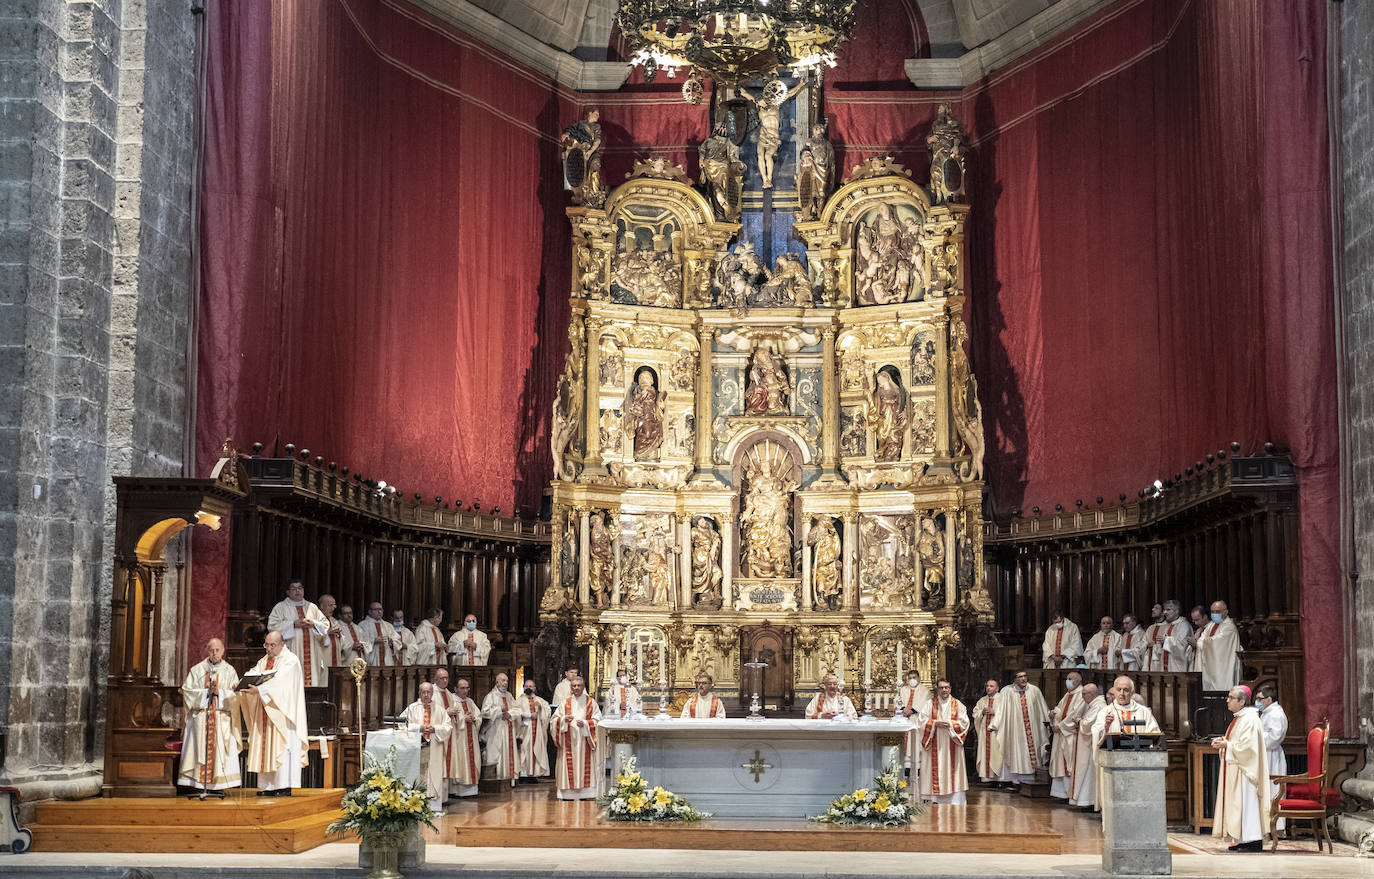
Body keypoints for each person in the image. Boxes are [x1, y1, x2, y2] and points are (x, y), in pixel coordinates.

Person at [239, 631, 309, 796]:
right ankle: (268, 786)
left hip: (283, 715)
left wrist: (260, 690)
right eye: (266, 645)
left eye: (272, 645)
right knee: (266, 747)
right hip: (266, 712)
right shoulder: (265, 660)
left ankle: (283, 786)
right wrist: (243, 683)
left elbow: (281, 682)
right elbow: (255, 673)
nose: (268, 649)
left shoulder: (290, 660)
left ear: (281, 644)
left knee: (282, 748)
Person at [1211, 686, 1270, 852]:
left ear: (1242, 701)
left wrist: (1227, 745)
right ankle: (1244, 839)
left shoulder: (1250, 719)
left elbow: (1248, 748)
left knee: (1247, 804)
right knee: (1240, 805)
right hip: (1238, 769)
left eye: (1231, 697)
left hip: (1246, 772)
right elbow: (1238, 742)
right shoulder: (1240, 718)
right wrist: (1225, 742)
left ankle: (1253, 840)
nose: (1227, 700)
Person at [1090, 675, 1162, 811]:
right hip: (1114, 764)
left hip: (1139, 764)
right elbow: (1096, 734)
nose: (1122, 693)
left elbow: (1154, 733)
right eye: (1119, 690)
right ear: (1114, 692)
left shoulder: (1143, 712)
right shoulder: (1105, 712)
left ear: (1132, 692)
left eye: (1126, 690)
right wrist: (1105, 727)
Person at [178, 638, 240, 795]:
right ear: (207, 651)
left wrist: (221, 693)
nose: (215, 653)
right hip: (201, 717)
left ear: (223, 650)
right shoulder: (197, 670)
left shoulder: (229, 671)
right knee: (198, 748)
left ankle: (217, 786)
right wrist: (206, 693)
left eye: (218, 650)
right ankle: (198, 786)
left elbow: (236, 696)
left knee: (220, 755)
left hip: (221, 718)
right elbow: (187, 692)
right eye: (212, 650)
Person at [265, 580, 331, 687]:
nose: (297, 591)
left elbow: (325, 624)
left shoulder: (312, 607)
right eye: (293, 589)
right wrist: (292, 624)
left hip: (312, 656)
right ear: (288, 592)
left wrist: (314, 623)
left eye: (300, 588)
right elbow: (272, 626)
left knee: (313, 684)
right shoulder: (280, 607)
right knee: (292, 683)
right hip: (292, 651)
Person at [400, 682, 452, 814]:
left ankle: (433, 805)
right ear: (419, 693)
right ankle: (416, 805)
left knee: (433, 774)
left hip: (435, 748)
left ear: (432, 693)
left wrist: (435, 728)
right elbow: (401, 725)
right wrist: (419, 728)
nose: (426, 695)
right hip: (417, 748)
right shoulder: (412, 708)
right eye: (423, 692)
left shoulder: (440, 709)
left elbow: (448, 727)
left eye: (428, 692)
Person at [917, 679, 969, 804]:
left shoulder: (958, 705)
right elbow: (921, 721)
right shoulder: (929, 704)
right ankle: (935, 798)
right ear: (937, 689)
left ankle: (955, 799)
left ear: (950, 688)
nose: (944, 690)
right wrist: (934, 723)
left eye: (946, 687)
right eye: (941, 688)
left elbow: (965, 723)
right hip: (934, 742)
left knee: (954, 772)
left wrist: (951, 725)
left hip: (952, 743)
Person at [551, 676, 602, 800]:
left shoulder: (591, 702)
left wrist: (585, 724)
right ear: (571, 687)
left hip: (585, 741)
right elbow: (553, 721)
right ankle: (567, 794)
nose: (576, 688)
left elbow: (598, 720)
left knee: (586, 766)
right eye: (574, 686)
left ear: (583, 686)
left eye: (579, 685)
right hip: (569, 742)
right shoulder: (565, 703)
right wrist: (563, 720)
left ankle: (586, 793)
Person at [996, 670, 1050, 784]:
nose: (1023, 679)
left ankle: (1032, 777)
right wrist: (995, 724)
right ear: (1014, 679)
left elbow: (1042, 709)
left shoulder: (1034, 690)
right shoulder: (1007, 691)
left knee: (1033, 749)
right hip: (1015, 729)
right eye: (1020, 677)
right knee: (1016, 751)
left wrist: (1049, 721)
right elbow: (1000, 711)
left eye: (1025, 676)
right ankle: (1015, 780)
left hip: (1033, 728)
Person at [481, 673, 526, 786]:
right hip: (496, 731)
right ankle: (498, 780)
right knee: (497, 754)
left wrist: (510, 714)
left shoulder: (509, 696)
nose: (505, 683)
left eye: (506, 681)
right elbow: (484, 713)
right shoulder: (490, 696)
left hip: (508, 729)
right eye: (502, 680)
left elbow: (518, 709)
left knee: (509, 753)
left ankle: (510, 779)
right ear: (497, 682)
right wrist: (498, 710)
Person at [1068, 683, 1105, 810]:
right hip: (1087, 745)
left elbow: (1088, 724)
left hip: (1091, 747)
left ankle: (1089, 801)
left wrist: (1079, 721)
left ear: (1092, 694)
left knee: (1089, 773)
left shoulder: (1098, 705)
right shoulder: (1093, 705)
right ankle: (1085, 800)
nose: (1082, 697)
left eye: (1084, 694)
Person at [443, 676, 481, 798]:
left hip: (471, 737)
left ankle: (471, 790)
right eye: (462, 688)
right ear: (455, 689)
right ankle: (457, 791)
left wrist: (474, 719)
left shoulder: (470, 701)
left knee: (472, 760)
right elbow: (448, 718)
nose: (465, 691)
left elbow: (479, 716)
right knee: (460, 761)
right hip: (459, 738)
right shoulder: (452, 700)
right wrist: (464, 719)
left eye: (467, 688)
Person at [1049, 671, 1085, 799]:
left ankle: (1069, 793)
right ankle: (1060, 793)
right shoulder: (1068, 694)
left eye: (1070, 679)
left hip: (1070, 734)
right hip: (1061, 734)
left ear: (1078, 681)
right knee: (1060, 763)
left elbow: (1075, 714)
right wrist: (1054, 713)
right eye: (1067, 678)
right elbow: (1060, 708)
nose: (1067, 681)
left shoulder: (1081, 694)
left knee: (1068, 763)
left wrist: (1061, 726)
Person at [1256, 685, 1287, 830]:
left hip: (1271, 755)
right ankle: (1265, 825)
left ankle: (1275, 827)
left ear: (1269, 699)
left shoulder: (1275, 714)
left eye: (1259, 699)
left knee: (1272, 791)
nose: (1257, 701)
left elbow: (1274, 737)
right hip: (1265, 753)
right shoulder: (1267, 712)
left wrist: (1256, 737)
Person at [1194, 600, 1244, 691]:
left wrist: (1204, 642)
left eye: (1217, 612)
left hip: (1222, 668)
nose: (1214, 614)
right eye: (1212, 612)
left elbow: (1218, 643)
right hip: (1209, 666)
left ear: (1226, 612)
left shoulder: (1229, 627)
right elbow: (1201, 639)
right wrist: (1204, 642)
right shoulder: (1211, 625)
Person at [896, 670, 932, 771]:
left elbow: (925, 704)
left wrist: (912, 710)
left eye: (914, 677)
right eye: (910, 678)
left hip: (917, 720)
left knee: (916, 745)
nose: (912, 680)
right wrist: (903, 709)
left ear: (919, 678)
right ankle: (906, 769)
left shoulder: (925, 691)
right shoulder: (903, 689)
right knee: (905, 746)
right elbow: (897, 701)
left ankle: (918, 768)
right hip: (904, 720)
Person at [517, 679, 552, 782]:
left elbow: (547, 712)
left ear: (535, 688)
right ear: (523, 688)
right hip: (524, 730)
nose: (529, 688)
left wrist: (541, 709)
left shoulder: (540, 700)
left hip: (537, 731)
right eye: (527, 686)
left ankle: (534, 775)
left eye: (531, 686)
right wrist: (528, 715)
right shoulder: (518, 701)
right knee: (524, 751)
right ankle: (523, 774)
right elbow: (516, 712)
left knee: (536, 750)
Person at [1146, 600, 1193, 672]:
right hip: (1164, 664)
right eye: (1164, 610)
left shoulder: (1184, 625)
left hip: (1177, 666)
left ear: (1176, 611)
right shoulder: (1167, 626)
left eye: (1168, 610)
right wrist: (1158, 644)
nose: (1165, 612)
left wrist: (1166, 640)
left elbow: (1182, 646)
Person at [972, 679, 1004, 784]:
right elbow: (975, 713)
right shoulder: (982, 700)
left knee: (998, 754)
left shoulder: (1002, 699)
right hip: (985, 733)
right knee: (985, 754)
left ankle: (999, 779)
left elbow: (1007, 714)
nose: (988, 688)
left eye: (991, 686)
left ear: (997, 688)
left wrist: (994, 712)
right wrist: (982, 712)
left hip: (997, 733)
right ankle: (987, 779)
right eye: (987, 686)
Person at [362, 601, 403, 667]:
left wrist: (392, 642)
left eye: (381, 609)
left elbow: (397, 640)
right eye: (376, 609)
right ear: (370, 612)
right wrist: (374, 641)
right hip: (372, 659)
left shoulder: (388, 625)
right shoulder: (363, 625)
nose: (379, 612)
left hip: (387, 659)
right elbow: (361, 642)